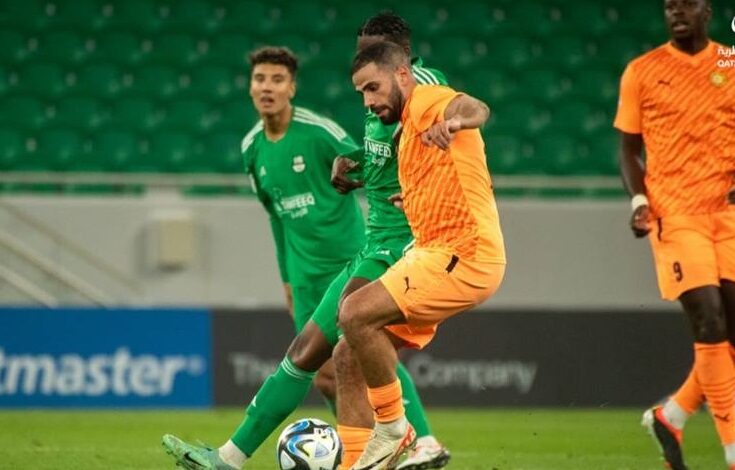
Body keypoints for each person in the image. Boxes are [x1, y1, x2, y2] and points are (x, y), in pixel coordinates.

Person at [162, 13, 452, 469]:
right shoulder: (371, 99)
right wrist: (352, 165)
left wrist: (437, 168)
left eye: (372, 49)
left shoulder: (426, 84)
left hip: (399, 249)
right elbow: (382, 160)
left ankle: (419, 443)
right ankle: (229, 458)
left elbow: (458, 123)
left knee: (361, 351)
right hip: (366, 251)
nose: (363, 58)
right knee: (313, 359)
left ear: (398, 54)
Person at [162, 45, 364, 469]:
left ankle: (417, 445)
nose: (267, 87)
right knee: (325, 373)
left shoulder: (319, 131)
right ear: (251, 87)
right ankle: (360, 454)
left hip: (352, 266)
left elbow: (365, 163)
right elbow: (276, 220)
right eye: (260, 79)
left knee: (356, 359)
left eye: (276, 79)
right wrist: (287, 279)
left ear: (292, 87)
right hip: (305, 276)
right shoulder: (252, 148)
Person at [339, 41, 506, 470]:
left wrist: (455, 122)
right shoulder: (406, 132)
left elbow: (477, 108)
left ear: (401, 75)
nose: (369, 100)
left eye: (373, 88)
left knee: (355, 313)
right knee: (348, 355)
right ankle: (358, 462)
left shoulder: (428, 100)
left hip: (463, 255)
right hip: (432, 253)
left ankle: (395, 431)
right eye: (361, 92)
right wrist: (410, 197)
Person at [614, 0, 735, 468]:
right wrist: (640, 202)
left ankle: (672, 414)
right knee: (709, 322)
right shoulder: (643, 71)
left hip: (726, 215)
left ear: (708, 10)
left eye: (687, 4)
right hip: (675, 213)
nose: (677, 12)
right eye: (669, 5)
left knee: (729, 336)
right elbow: (627, 150)